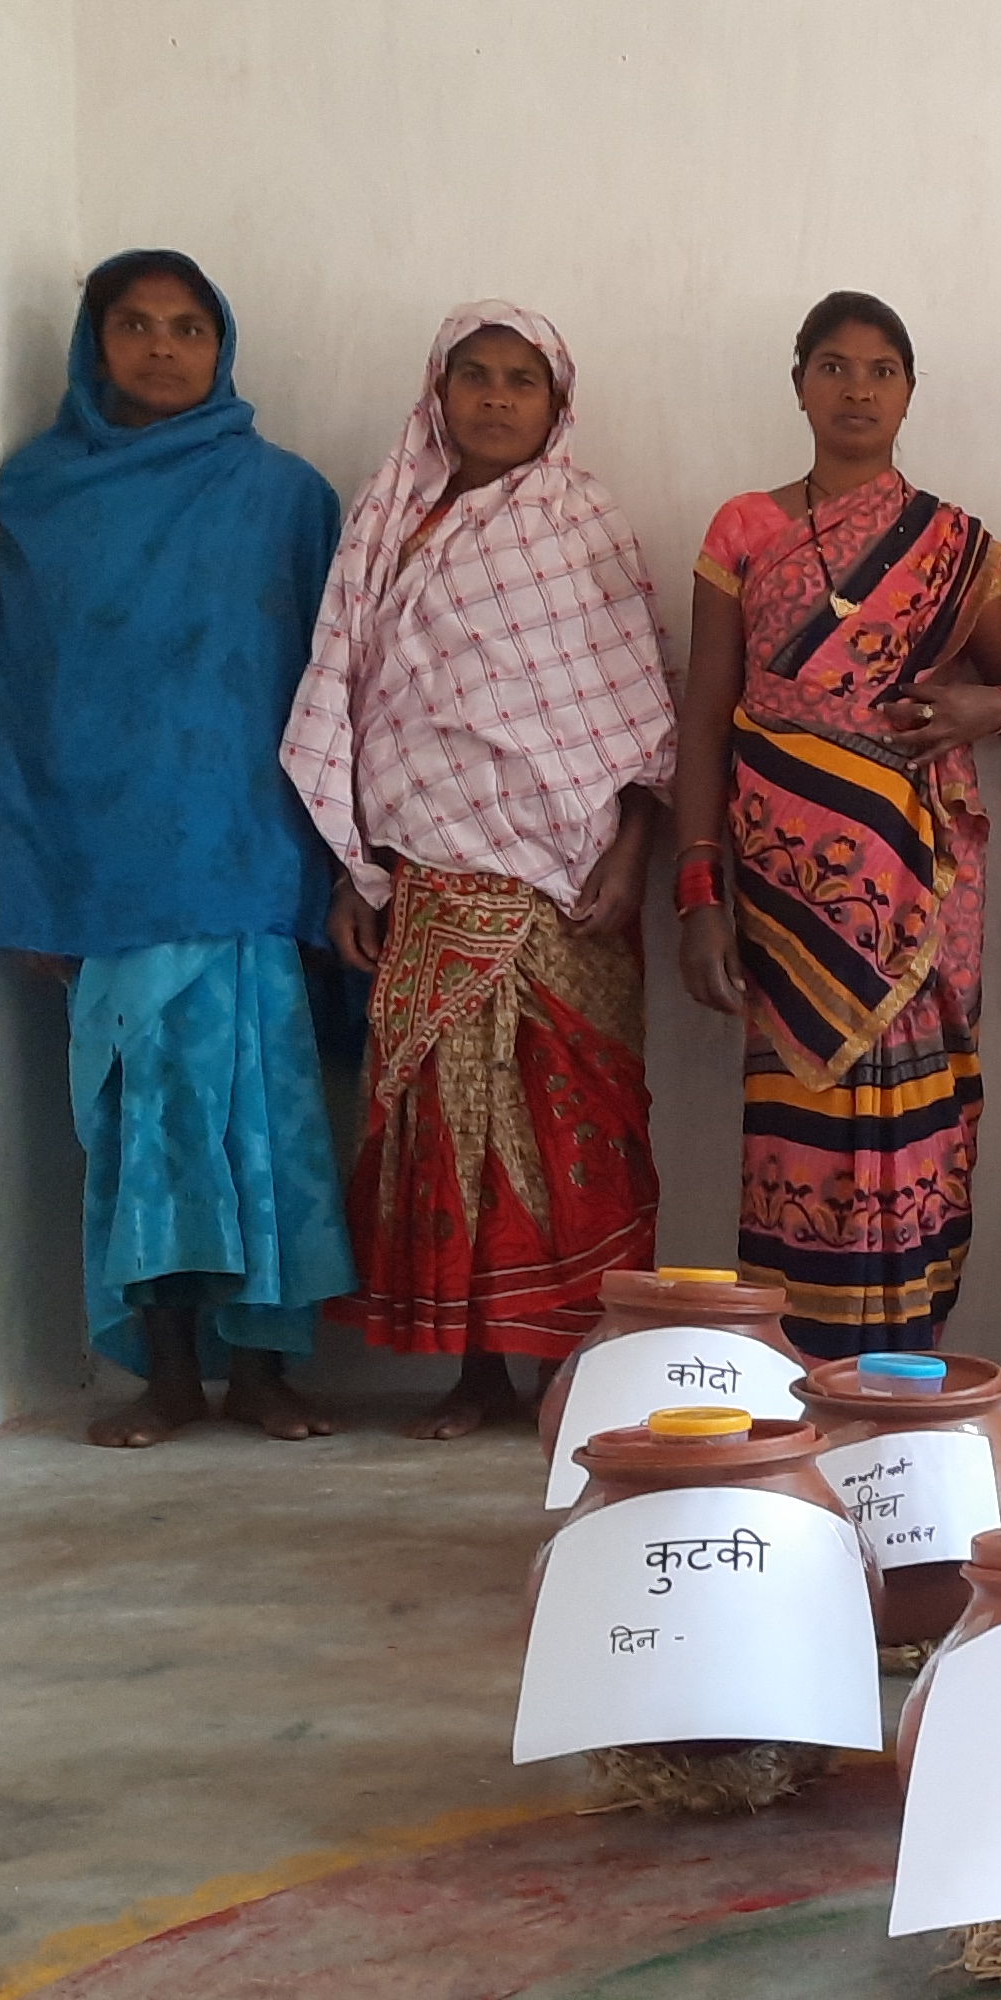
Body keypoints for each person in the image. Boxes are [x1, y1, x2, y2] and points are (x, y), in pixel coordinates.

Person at [0, 250, 359, 1451]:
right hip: (110, 869)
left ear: (223, 344)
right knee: (143, 1136)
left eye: (187, 326)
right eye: (135, 326)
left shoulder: (285, 498)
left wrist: (342, 862)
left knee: (263, 1132)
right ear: (94, 345)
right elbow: (23, 697)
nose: (161, 347)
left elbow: (333, 689)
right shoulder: (43, 495)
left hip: (250, 859)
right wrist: (33, 890)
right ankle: (168, 1378)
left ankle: (263, 1375)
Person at [281, 302, 674, 1438]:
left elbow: (637, 719)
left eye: (522, 381)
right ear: (438, 393)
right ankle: (476, 1375)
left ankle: (574, 1371)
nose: (497, 399)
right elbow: (351, 697)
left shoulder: (581, 524)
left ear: (556, 404)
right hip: (427, 875)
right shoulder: (388, 525)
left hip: (569, 883)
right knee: (446, 1130)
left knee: (570, 1125)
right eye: (476, 377)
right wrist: (351, 873)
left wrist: (633, 860)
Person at [668, 292, 1001, 1355]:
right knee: (797, 1126)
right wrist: (698, 892)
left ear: (910, 392)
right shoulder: (743, 530)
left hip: (916, 884)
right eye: (833, 366)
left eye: (881, 369)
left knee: (917, 1125)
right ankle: (797, 1378)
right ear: (798, 383)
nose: (857, 387)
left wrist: (983, 707)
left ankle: (906, 1370)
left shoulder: (955, 548)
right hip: (785, 893)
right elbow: (701, 717)